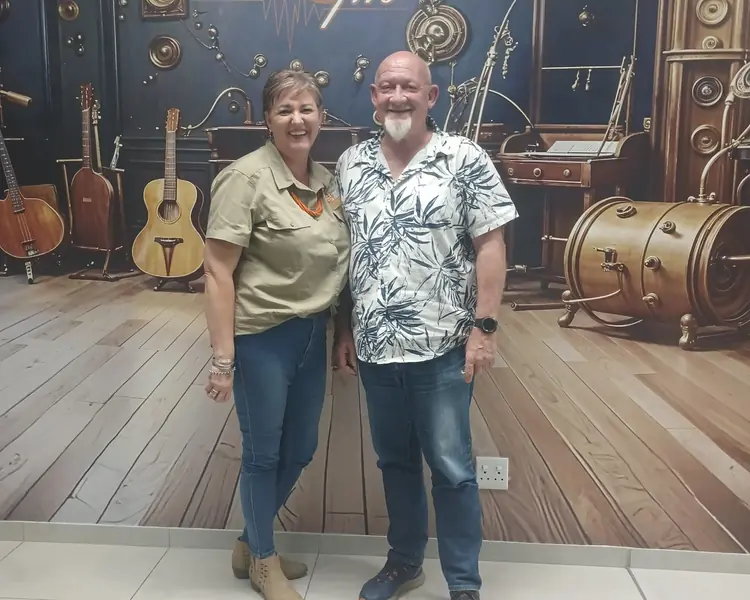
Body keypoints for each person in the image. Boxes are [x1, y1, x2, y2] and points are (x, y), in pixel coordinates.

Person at [331, 51, 518, 600]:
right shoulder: (351, 164)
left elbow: (491, 245)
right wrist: (344, 328)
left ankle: (463, 583)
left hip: (444, 345)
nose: (398, 97)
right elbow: (343, 252)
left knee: (453, 468)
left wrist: (485, 328)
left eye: (409, 87)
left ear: (430, 96)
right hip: (375, 345)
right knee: (395, 462)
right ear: (373, 96)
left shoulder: (464, 158)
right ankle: (404, 563)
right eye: (387, 87)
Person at [203, 69, 350, 600]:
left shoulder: (329, 182)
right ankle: (264, 563)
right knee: (263, 454)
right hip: (263, 337)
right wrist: (223, 360)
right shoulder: (245, 178)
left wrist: (341, 330)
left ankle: (249, 543)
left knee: (301, 448)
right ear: (267, 119)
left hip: (313, 334)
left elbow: (340, 264)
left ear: (321, 117)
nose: (297, 119)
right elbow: (217, 271)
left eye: (307, 108)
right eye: (285, 109)